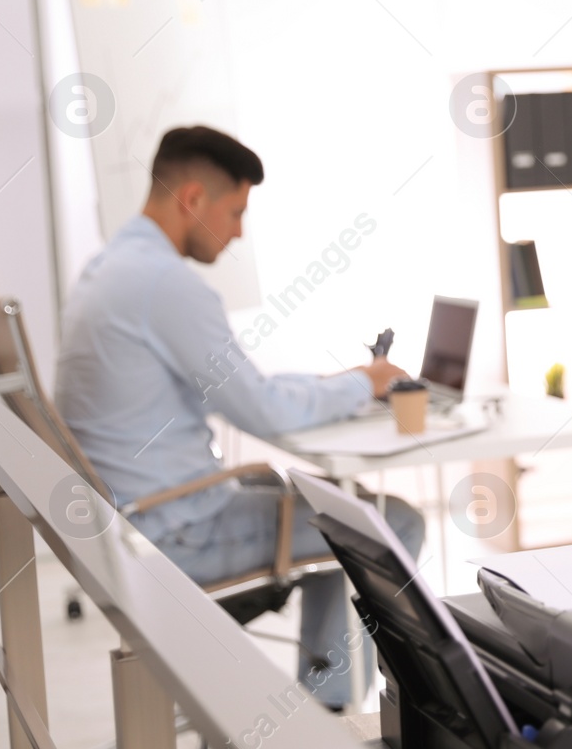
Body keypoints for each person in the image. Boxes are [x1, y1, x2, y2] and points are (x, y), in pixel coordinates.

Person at [56, 125, 421, 709]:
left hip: (124, 527)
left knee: (335, 510)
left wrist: (345, 383)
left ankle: (325, 698)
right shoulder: (166, 285)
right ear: (194, 199)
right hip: (178, 535)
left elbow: (241, 388)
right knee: (390, 525)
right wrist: (363, 383)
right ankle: (329, 720)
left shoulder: (109, 270)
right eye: (235, 211)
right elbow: (263, 411)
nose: (238, 232)